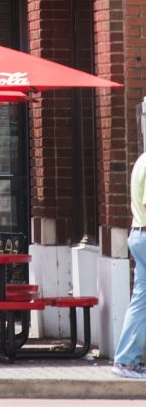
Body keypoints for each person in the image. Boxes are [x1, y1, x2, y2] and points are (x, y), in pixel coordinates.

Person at [113, 149, 146, 378]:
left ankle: (126, 360)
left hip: (138, 234)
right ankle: (126, 361)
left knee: (141, 300)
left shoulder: (141, 160)